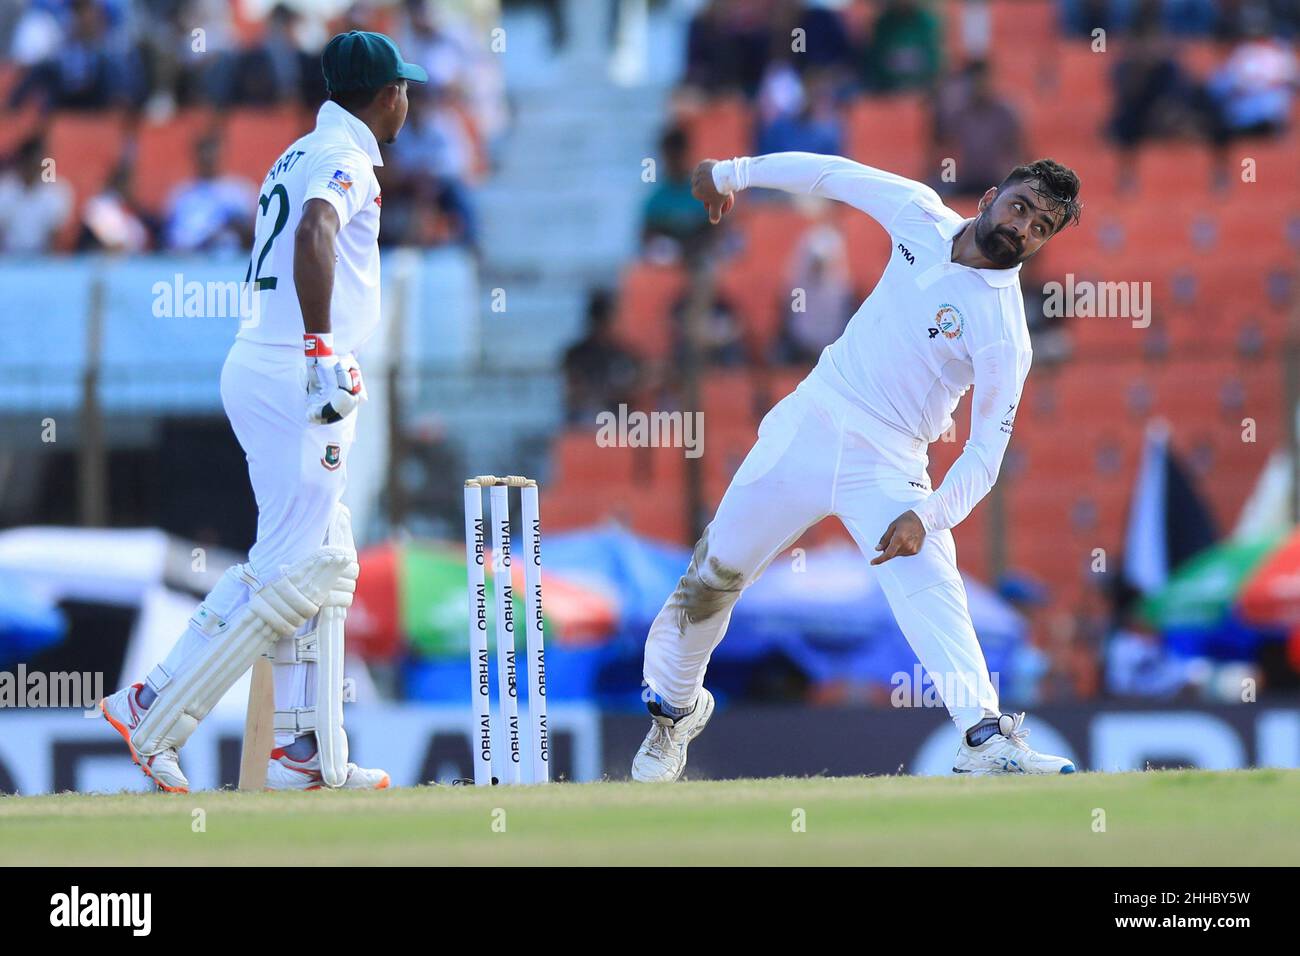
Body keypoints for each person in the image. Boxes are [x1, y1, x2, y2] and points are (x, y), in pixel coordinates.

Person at [632, 150, 1083, 781]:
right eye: (1021, 208)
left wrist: (927, 516)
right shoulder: (919, 215)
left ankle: (983, 738)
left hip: (891, 460)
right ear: (989, 199)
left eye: (1042, 227)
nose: (1023, 228)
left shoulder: (1005, 330)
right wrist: (733, 173)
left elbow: (986, 454)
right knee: (713, 575)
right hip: (812, 420)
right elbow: (831, 175)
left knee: (930, 576)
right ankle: (674, 716)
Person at [99, 31, 428, 793]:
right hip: (296, 376)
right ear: (384, 97)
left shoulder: (296, 152)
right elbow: (315, 232)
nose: (408, 101)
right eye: (402, 89)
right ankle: (151, 707)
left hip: (265, 364)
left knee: (328, 559)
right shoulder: (345, 161)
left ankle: (309, 750)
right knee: (290, 565)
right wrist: (320, 353)